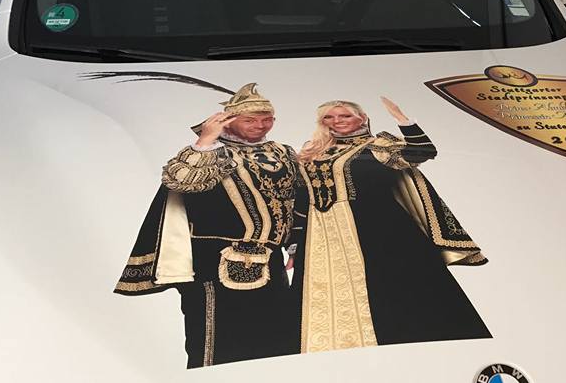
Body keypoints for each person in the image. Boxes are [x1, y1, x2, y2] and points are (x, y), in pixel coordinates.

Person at [115, 84, 301, 368]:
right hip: (213, 261)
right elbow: (180, 182)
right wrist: (206, 139)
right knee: (219, 339)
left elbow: (297, 198)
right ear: (228, 120)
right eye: (250, 120)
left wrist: (295, 244)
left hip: (271, 260)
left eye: (267, 119)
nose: (260, 126)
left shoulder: (283, 152)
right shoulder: (212, 152)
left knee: (275, 335)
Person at [293, 97, 491, 354]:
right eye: (329, 117)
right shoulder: (313, 150)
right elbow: (301, 195)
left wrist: (402, 119)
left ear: (362, 118)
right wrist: (295, 241)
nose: (337, 121)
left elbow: (422, 152)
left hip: (379, 230)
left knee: (394, 290)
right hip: (320, 235)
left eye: (345, 115)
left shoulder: (378, 145)